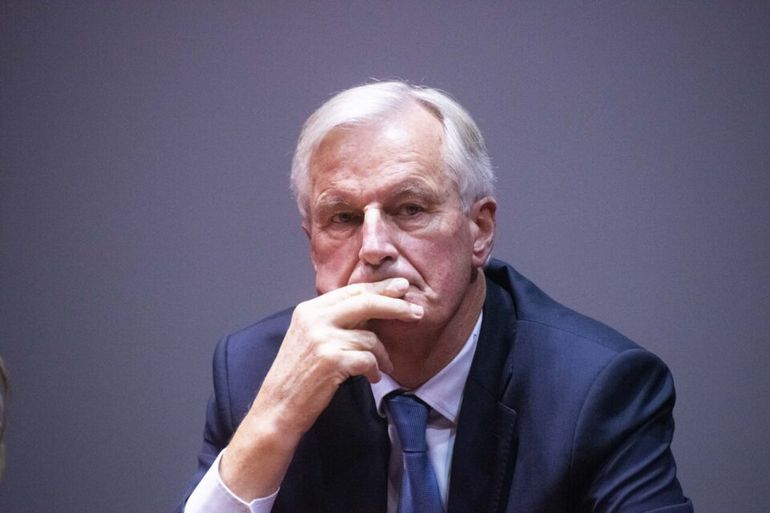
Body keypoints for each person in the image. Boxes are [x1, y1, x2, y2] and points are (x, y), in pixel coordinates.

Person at [178, 81, 692, 513]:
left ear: (479, 230)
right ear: (312, 245)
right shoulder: (255, 373)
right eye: (344, 218)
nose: (373, 247)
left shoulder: (592, 389)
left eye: (410, 209)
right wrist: (273, 420)